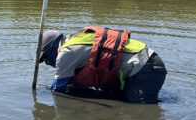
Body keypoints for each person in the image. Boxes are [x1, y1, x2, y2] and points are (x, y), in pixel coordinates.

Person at [38, 27, 167, 104]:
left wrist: (38, 96)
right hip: (147, 63)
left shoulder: (66, 54)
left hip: (146, 67)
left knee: (140, 111)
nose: (48, 63)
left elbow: (57, 90)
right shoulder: (75, 40)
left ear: (52, 48)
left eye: (45, 59)